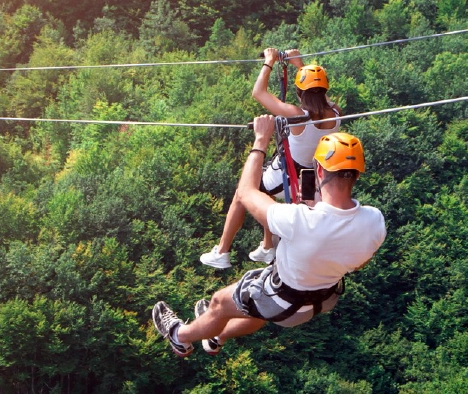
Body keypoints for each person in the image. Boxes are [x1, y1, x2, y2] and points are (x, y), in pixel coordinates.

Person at [153, 115, 386, 357]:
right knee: (257, 308)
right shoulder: (374, 221)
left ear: (318, 169)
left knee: (219, 303)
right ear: (358, 174)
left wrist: (261, 140)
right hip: (321, 300)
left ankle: (179, 337)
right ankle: (217, 337)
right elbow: (359, 262)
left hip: (283, 299)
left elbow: (245, 192)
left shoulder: (299, 219)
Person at [200, 48, 343, 269]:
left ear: (299, 92)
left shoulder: (296, 115)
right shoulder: (336, 113)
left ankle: (222, 251)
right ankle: (268, 247)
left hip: (289, 174)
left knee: (242, 192)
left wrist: (269, 62)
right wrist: (299, 65)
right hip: (311, 177)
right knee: (267, 193)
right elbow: (319, 94)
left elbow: (258, 92)